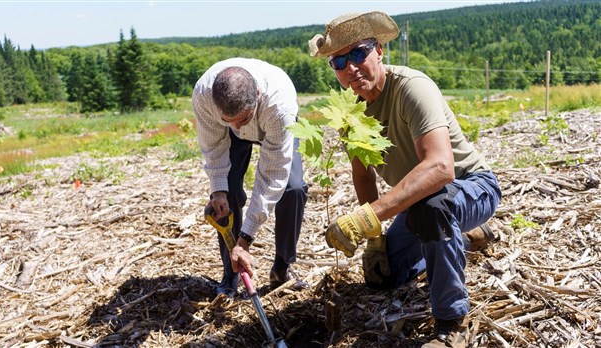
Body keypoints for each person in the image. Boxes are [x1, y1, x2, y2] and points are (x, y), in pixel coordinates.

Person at [308, 11, 502, 348]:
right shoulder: (350, 113)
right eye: (339, 61)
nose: (351, 68)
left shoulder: (412, 88)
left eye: (358, 53)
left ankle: (452, 321)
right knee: (382, 275)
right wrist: (374, 237)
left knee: (434, 207)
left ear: (379, 51)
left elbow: (441, 168)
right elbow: (363, 174)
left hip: (472, 187)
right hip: (418, 204)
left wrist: (365, 217)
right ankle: (464, 238)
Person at [193, 58, 308, 297]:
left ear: (257, 95)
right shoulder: (204, 96)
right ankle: (230, 274)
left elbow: (272, 175)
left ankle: (282, 269)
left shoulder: (279, 104)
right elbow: (214, 146)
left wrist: (245, 239)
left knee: (293, 189)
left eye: (242, 120)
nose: (236, 126)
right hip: (236, 125)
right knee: (229, 193)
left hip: (271, 126)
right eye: (228, 120)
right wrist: (218, 190)